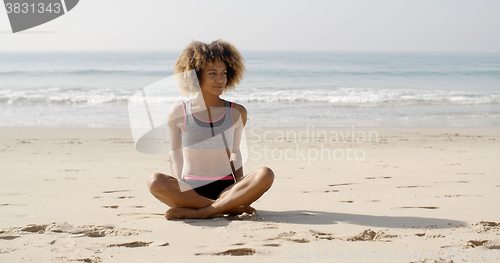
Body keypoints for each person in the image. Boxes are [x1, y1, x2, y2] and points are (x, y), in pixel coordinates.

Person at [147, 40, 274, 219]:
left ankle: (204, 212)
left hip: (227, 188)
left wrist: (240, 185)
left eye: (223, 73)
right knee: (155, 181)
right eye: (212, 73)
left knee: (265, 174)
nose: (220, 79)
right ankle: (225, 207)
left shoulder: (237, 112)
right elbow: (175, 152)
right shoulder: (178, 112)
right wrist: (180, 182)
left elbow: (235, 151)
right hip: (190, 189)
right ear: (196, 76)